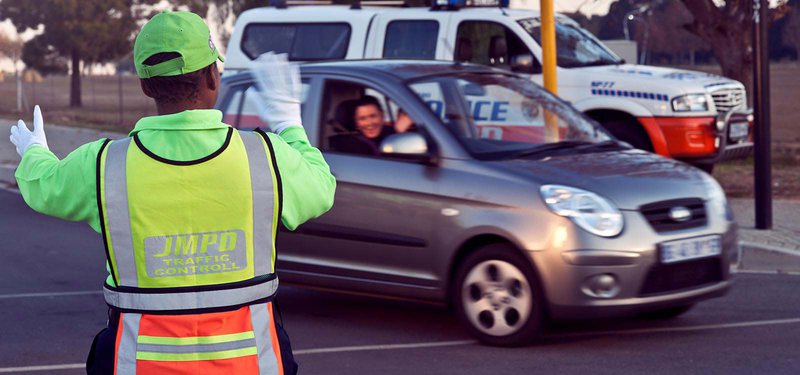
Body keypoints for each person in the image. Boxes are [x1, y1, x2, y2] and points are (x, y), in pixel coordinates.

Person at [8, 11, 335, 375]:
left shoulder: (103, 164)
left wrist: (34, 150)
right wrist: (290, 124)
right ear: (213, 76)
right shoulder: (265, 156)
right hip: (254, 365)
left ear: (146, 86)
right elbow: (321, 188)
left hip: (136, 365)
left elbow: (44, 187)